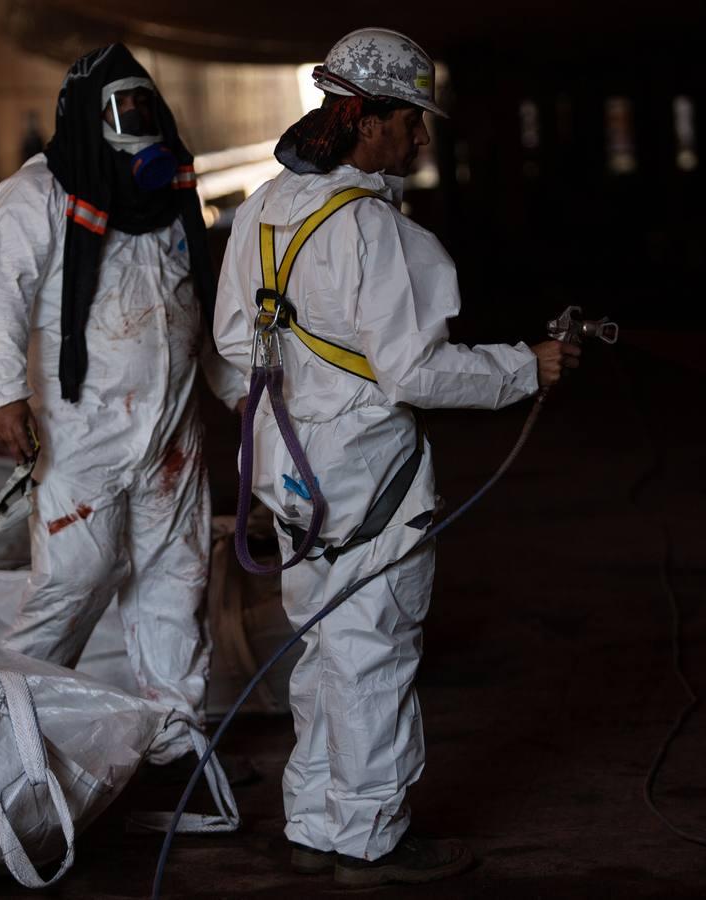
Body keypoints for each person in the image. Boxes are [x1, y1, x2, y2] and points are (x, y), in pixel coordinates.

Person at [213, 27, 577, 886]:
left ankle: (314, 816)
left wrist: (280, 445)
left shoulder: (263, 208)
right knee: (372, 651)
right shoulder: (378, 233)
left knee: (320, 647)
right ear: (364, 118)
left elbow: (232, 349)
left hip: (291, 470)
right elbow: (417, 372)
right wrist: (527, 366)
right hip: (368, 473)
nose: (420, 137)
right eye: (411, 120)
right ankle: (369, 833)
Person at [0, 46, 247, 763]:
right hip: (81, 429)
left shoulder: (166, 196)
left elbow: (196, 302)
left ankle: (173, 740)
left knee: (176, 577)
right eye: (122, 113)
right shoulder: (36, 194)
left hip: (171, 431)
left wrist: (238, 392)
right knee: (72, 580)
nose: (136, 127)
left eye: (143, 109)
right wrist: (6, 395)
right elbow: (3, 297)